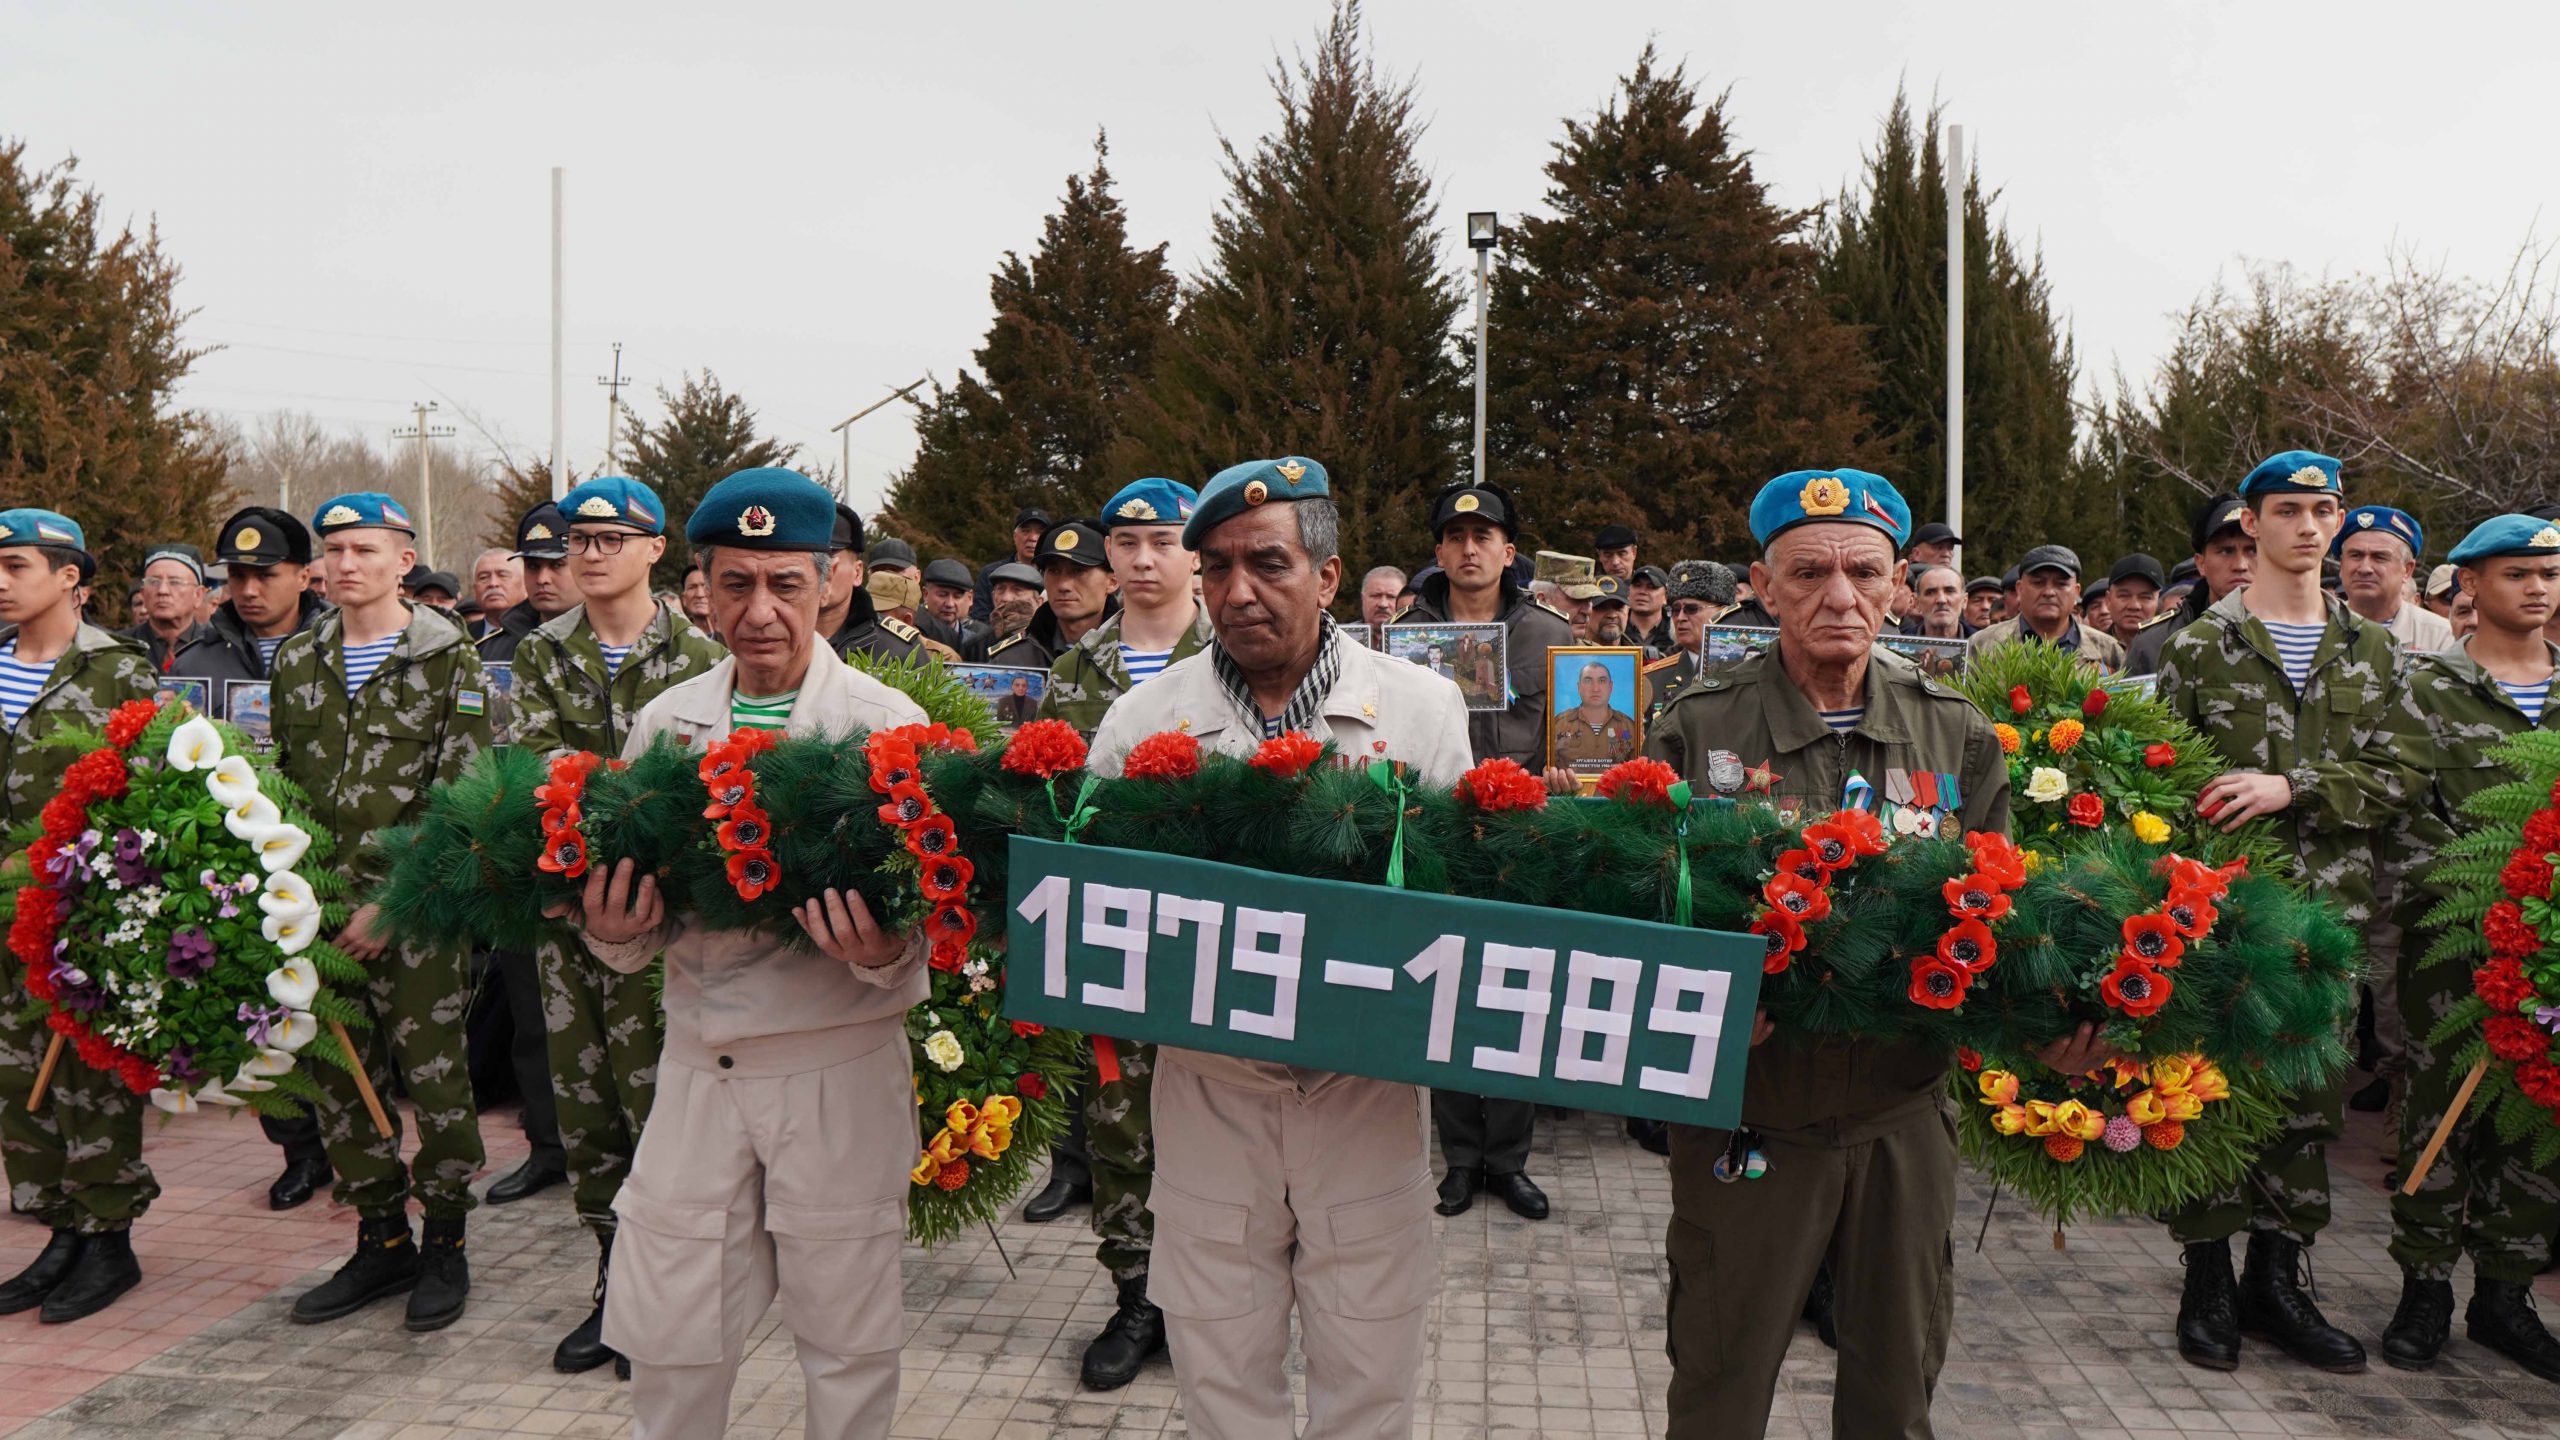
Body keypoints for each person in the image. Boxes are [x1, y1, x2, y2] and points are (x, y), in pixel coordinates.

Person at [1086, 455, 1468, 1439]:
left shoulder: (1421, 714)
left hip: (1365, 1100)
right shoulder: (1143, 724)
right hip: (1210, 1097)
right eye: (1215, 568)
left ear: (1329, 576)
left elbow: (1458, 911)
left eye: (1268, 564)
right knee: (1221, 1383)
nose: (1237, 592)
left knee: (1369, 1381)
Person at [1643, 468, 2024, 1439]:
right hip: (1749, 1117)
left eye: (1863, 570)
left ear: (1899, 583)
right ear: (1762, 590)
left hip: (1900, 1115)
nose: (1839, 596)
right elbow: (1647, 905)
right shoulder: (1698, 727)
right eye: (1808, 572)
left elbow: (2002, 916)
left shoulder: (1956, 735)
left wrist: (2056, 1027)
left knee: (1895, 1393)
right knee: (1719, 1386)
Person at [564, 467, 930, 1439]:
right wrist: (612, 932)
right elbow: (633, 929)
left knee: (847, 1340)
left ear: (832, 583)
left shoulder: (886, 730)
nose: (760, 611)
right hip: (698, 1067)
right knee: (670, 1326)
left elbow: (930, 918)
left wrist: (886, 948)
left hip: (836, 1064)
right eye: (736, 584)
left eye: (785, 584)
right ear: (703, 588)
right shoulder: (666, 725)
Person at [2155, 450, 2423, 1376]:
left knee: (2309, 1103)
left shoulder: (2378, 649)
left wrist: (2290, 787)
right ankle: (2208, 1279)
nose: (2310, 527)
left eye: (2324, 509)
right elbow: (2165, 780)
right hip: (2225, 915)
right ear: (2254, 526)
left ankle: (2279, 1278)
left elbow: (2403, 775)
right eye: (2288, 511)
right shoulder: (2199, 646)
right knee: (2209, 1088)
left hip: (2331, 919)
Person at [511, 475, 728, 1379]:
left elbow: (697, 793)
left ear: (653, 551)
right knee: (588, 1102)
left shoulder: (698, 656)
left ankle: (667, 1295)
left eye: (610, 538)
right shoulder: (539, 654)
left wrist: (596, 786)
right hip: (566, 912)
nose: (588, 553)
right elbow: (530, 770)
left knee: (665, 1110)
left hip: (668, 922)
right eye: (576, 539)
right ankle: (611, 1281)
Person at [274, 492, 493, 1332]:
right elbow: (281, 787)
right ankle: (379, 1239)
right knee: (338, 1070)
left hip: (416, 912)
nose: (343, 564)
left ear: (405, 560)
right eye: (332, 550)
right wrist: (297, 900)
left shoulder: (448, 656)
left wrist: (393, 904)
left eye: (364, 549)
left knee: (434, 1074)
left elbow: (465, 794)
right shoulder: (300, 659)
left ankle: (444, 1239)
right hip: (316, 911)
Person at [2378, 514, 2560, 1382]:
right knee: (2440, 1111)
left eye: (2551, 575)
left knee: (2537, 1113)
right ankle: (2424, 1287)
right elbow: (2399, 822)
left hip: (2554, 965)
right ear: (2472, 586)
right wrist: (2492, 901)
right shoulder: (2426, 693)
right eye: (2519, 573)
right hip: (2454, 951)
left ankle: (2507, 1293)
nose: (2539, 588)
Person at [1045, 477, 1213, 1391]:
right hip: (1110, 939)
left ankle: (1212, 1294)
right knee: (1117, 1119)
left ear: (1194, 551)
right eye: (1126, 542)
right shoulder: (1074, 673)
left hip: (1211, 940)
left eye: (1162, 540)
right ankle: (1137, 1293)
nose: (1143, 559)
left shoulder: (1234, 653)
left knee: (1218, 1119)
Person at [0, 508, 160, 1325]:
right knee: (12, 1073)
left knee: (87, 1069)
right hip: (1, 920)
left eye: (15, 564)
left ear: (70, 577)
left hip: (81, 908)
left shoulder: (115, 671)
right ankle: (58, 1228)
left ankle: (109, 1237)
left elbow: (151, 791)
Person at [1395, 481, 1569, 1223]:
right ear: (1438, 551)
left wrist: (1572, 773)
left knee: (1519, 997)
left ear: (1508, 550)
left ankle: (1511, 1160)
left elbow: (1585, 734)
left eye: (1484, 535)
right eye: (1455, 536)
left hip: (1523, 836)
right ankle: (1461, 1158)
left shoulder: (1548, 635)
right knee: (1449, 996)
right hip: (1441, 834)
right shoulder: (1401, 640)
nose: (1470, 548)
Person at [165, 507, 336, 1209]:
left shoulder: (336, 644)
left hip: (325, 856)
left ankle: (358, 1142)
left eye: (265, 574)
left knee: (339, 1007)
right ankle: (298, 1148)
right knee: (260, 1010)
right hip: (238, 868)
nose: (249, 589)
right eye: (236, 576)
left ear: (303, 574)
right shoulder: (198, 658)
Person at [2127, 493, 2255, 674]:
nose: (2240, 565)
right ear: (2201, 563)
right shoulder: (2155, 644)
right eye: (2226, 551)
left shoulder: (2300, 634)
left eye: (2253, 550)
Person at [986, 518, 1117, 674]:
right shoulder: (1011, 661)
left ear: (1112, 581)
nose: (1063, 585)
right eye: (1054, 571)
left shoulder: (1136, 653)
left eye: (1078, 571)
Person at [1967, 545, 2128, 668]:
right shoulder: (1982, 645)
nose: (2049, 592)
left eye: (2060, 584)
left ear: (2076, 591)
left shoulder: (2107, 650)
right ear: (2020, 589)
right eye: (2038, 583)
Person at [2338, 504, 2455, 653]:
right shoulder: (2318, 628)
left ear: (2407, 570)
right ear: (2341, 565)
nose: (2365, 568)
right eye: (2355, 556)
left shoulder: (2440, 636)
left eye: (2379, 557)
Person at [823, 508, 931, 666]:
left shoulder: (901, 648)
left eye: (830, 558)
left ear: (857, 572)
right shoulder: (778, 638)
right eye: (812, 558)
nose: (822, 569)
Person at [480, 503, 578, 664]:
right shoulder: (492, 651)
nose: (542, 579)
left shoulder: (615, 645)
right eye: (533, 566)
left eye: (557, 565)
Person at [125, 544, 215, 671]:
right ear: (143, 594)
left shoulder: (217, 650)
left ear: (198, 595)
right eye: (154, 582)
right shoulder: (120, 648)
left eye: (175, 582)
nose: (162, 590)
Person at [1551, 659, 1638, 771]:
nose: (1595, 689)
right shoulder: (1558, 723)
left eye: (1602, 681)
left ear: (1610, 687)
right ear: (1579, 687)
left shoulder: (1629, 726)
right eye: (1588, 681)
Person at [975, 506, 1051, 623]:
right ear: (1015, 537)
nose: (1032, 538)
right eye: (1026, 531)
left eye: (1040, 532)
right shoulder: (990, 573)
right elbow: (979, 618)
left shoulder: (1055, 575)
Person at [920, 558, 990, 657]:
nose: (950, 604)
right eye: (942, 595)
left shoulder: (979, 642)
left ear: (970, 598)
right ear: (926, 594)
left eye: (957, 596)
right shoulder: (913, 635)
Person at [2103, 554, 2167, 648]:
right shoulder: (2090, 650)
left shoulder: (2172, 651)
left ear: (2158, 602)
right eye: (2124, 595)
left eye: (2145, 597)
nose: (2134, 606)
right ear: (2108, 600)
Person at [1896, 563, 1969, 638]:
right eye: (1930, 592)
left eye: (1950, 591)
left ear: (1964, 600)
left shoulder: (1979, 644)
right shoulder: (1897, 646)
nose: (1941, 600)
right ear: (1917, 602)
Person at [983, 561, 1044, 651]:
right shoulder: (978, 644)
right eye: (1000, 590)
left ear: (1039, 602)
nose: (1006, 598)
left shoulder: (1048, 639)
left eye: (1017, 590)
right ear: (993, 597)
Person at [469, 547, 523, 640]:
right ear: (474, 589)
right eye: (483, 577)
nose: (493, 583)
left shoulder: (540, 634)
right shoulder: (463, 639)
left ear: (524, 584)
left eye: (503, 575)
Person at [1357, 563, 1407, 645]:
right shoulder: (1342, 639)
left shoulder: (1415, 640)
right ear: (1363, 598)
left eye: (1391, 597)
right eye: (1376, 596)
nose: (1383, 604)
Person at [1628, 564, 1673, 655]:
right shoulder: (1616, 627)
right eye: (1637, 585)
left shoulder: (1675, 632)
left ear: (1666, 596)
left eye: (1652, 587)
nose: (1642, 592)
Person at [1589, 573, 1634, 644]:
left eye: (1619, 607)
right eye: (1602, 607)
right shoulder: (1568, 653)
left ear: (1628, 610)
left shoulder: (1641, 654)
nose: (1612, 615)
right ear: (1586, 611)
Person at [680, 557, 715, 636]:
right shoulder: (676, 638)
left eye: (705, 586)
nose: (700, 594)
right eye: (692, 587)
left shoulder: (733, 635)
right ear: (684, 599)